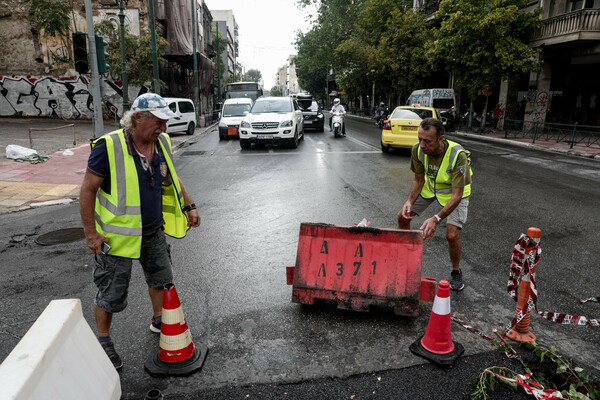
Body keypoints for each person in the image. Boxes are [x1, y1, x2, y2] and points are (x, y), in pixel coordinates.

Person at [79, 93, 201, 370]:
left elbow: (171, 175)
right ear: (138, 118)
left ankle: (159, 319)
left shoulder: (162, 142)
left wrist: (189, 205)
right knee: (111, 293)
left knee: (162, 280)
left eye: (165, 123)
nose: (164, 128)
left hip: (154, 231)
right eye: (159, 122)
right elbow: (87, 189)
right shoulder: (107, 146)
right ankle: (103, 340)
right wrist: (90, 233)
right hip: (116, 238)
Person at [397, 118, 472, 291]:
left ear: (441, 139)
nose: (422, 145)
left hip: (455, 195)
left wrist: (436, 218)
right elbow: (418, 179)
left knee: (451, 235)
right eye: (420, 139)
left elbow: (457, 195)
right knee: (402, 216)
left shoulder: (457, 155)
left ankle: (456, 271)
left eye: (427, 141)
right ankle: (404, 259)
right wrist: (409, 201)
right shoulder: (418, 150)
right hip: (432, 189)